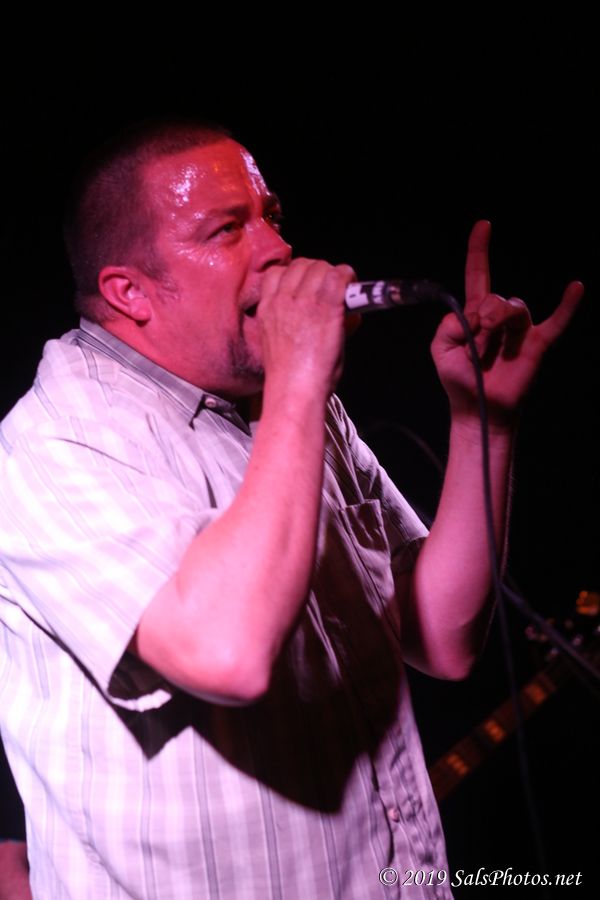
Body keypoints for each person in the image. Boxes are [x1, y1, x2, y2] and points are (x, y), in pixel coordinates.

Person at [0, 118, 582, 899]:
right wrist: (301, 380)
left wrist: (486, 423)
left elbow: (443, 637)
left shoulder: (287, 406)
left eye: (271, 215)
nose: (277, 248)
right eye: (226, 229)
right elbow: (226, 654)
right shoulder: (53, 442)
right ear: (128, 292)